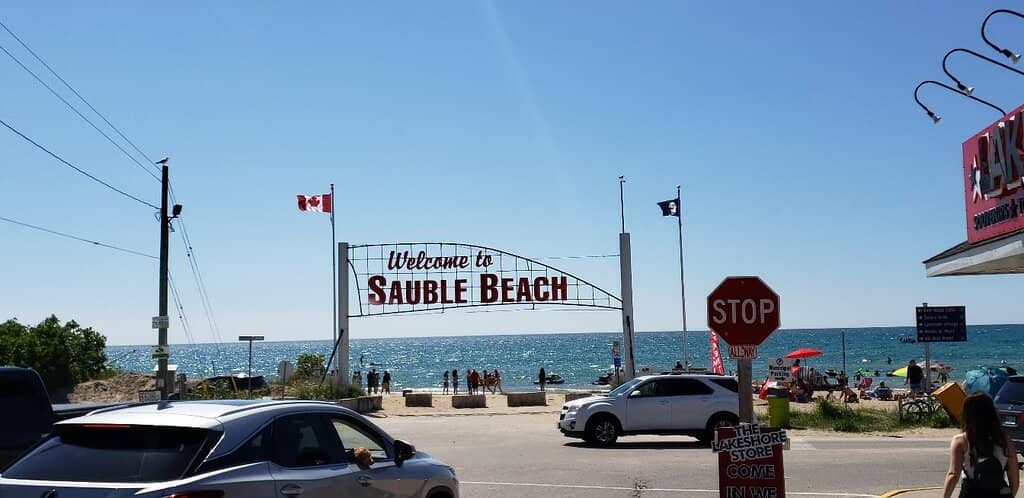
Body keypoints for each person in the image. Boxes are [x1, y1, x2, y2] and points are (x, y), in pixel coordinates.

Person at [941, 392, 1019, 497]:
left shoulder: (961, 440)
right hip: (1000, 492)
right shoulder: (1004, 440)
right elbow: (1013, 475)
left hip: (971, 493)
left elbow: (953, 474)